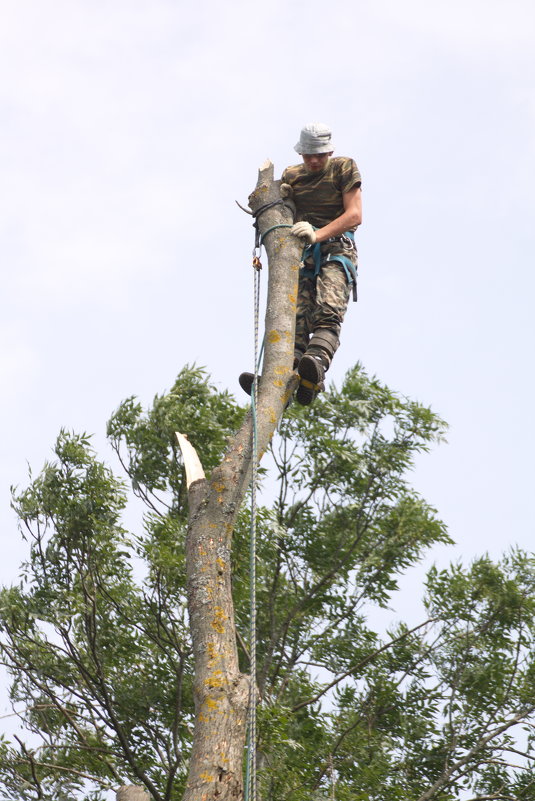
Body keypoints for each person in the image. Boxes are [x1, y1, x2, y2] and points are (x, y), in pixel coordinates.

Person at [240, 122, 362, 405]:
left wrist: (317, 234)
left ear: (329, 151)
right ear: (301, 154)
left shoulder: (343, 168)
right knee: (295, 319)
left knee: (327, 310)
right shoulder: (292, 176)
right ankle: (280, 377)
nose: (315, 160)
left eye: (320, 154)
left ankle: (315, 368)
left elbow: (354, 214)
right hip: (304, 255)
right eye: (309, 155)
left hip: (336, 248)